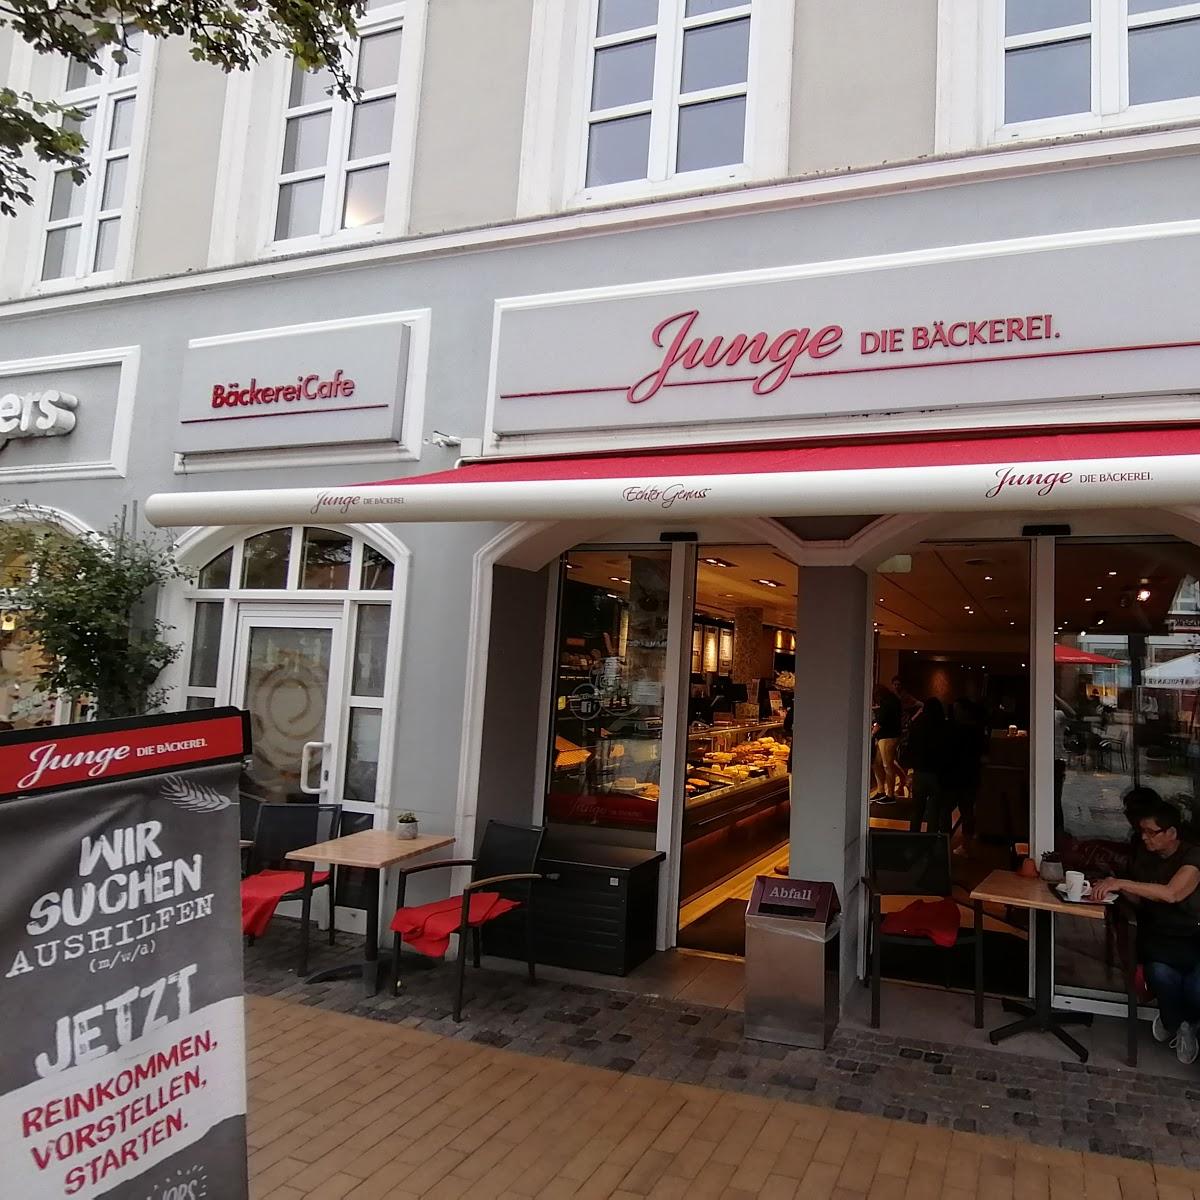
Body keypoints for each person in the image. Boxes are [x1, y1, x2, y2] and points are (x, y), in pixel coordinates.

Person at [1093, 800, 1200, 1064]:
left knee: (1195, 989)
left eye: (1151, 832)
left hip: (1194, 939)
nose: (1144, 837)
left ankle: (1177, 1020)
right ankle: (1180, 1024)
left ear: (1172, 833)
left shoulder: (1192, 856)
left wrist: (1121, 882)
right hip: (1160, 939)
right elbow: (1142, 900)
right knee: (1160, 975)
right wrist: (1114, 888)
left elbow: (1173, 893)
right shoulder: (1144, 858)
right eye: (1142, 831)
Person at [946, 698, 987, 856]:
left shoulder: (955, 729)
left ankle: (944, 841)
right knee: (967, 811)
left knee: (950, 809)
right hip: (970, 775)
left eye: (957, 709)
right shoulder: (977, 730)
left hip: (957, 775)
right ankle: (966, 843)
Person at [904, 697, 952, 833]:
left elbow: (911, 749)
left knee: (917, 810)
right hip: (937, 773)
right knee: (934, 812)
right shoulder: (944, 726)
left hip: (920, 771)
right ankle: (930, 841)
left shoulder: (918, 725)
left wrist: (909, 771)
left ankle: (914, 838)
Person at [870, 684, 904, 801]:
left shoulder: (887, 702)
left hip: (887, 736)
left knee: (886, 765)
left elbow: (881, 720)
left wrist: (872, 733)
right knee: (880, 763)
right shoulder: (893, 700)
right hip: (889, 735)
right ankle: (883, 791)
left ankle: (889, 794)